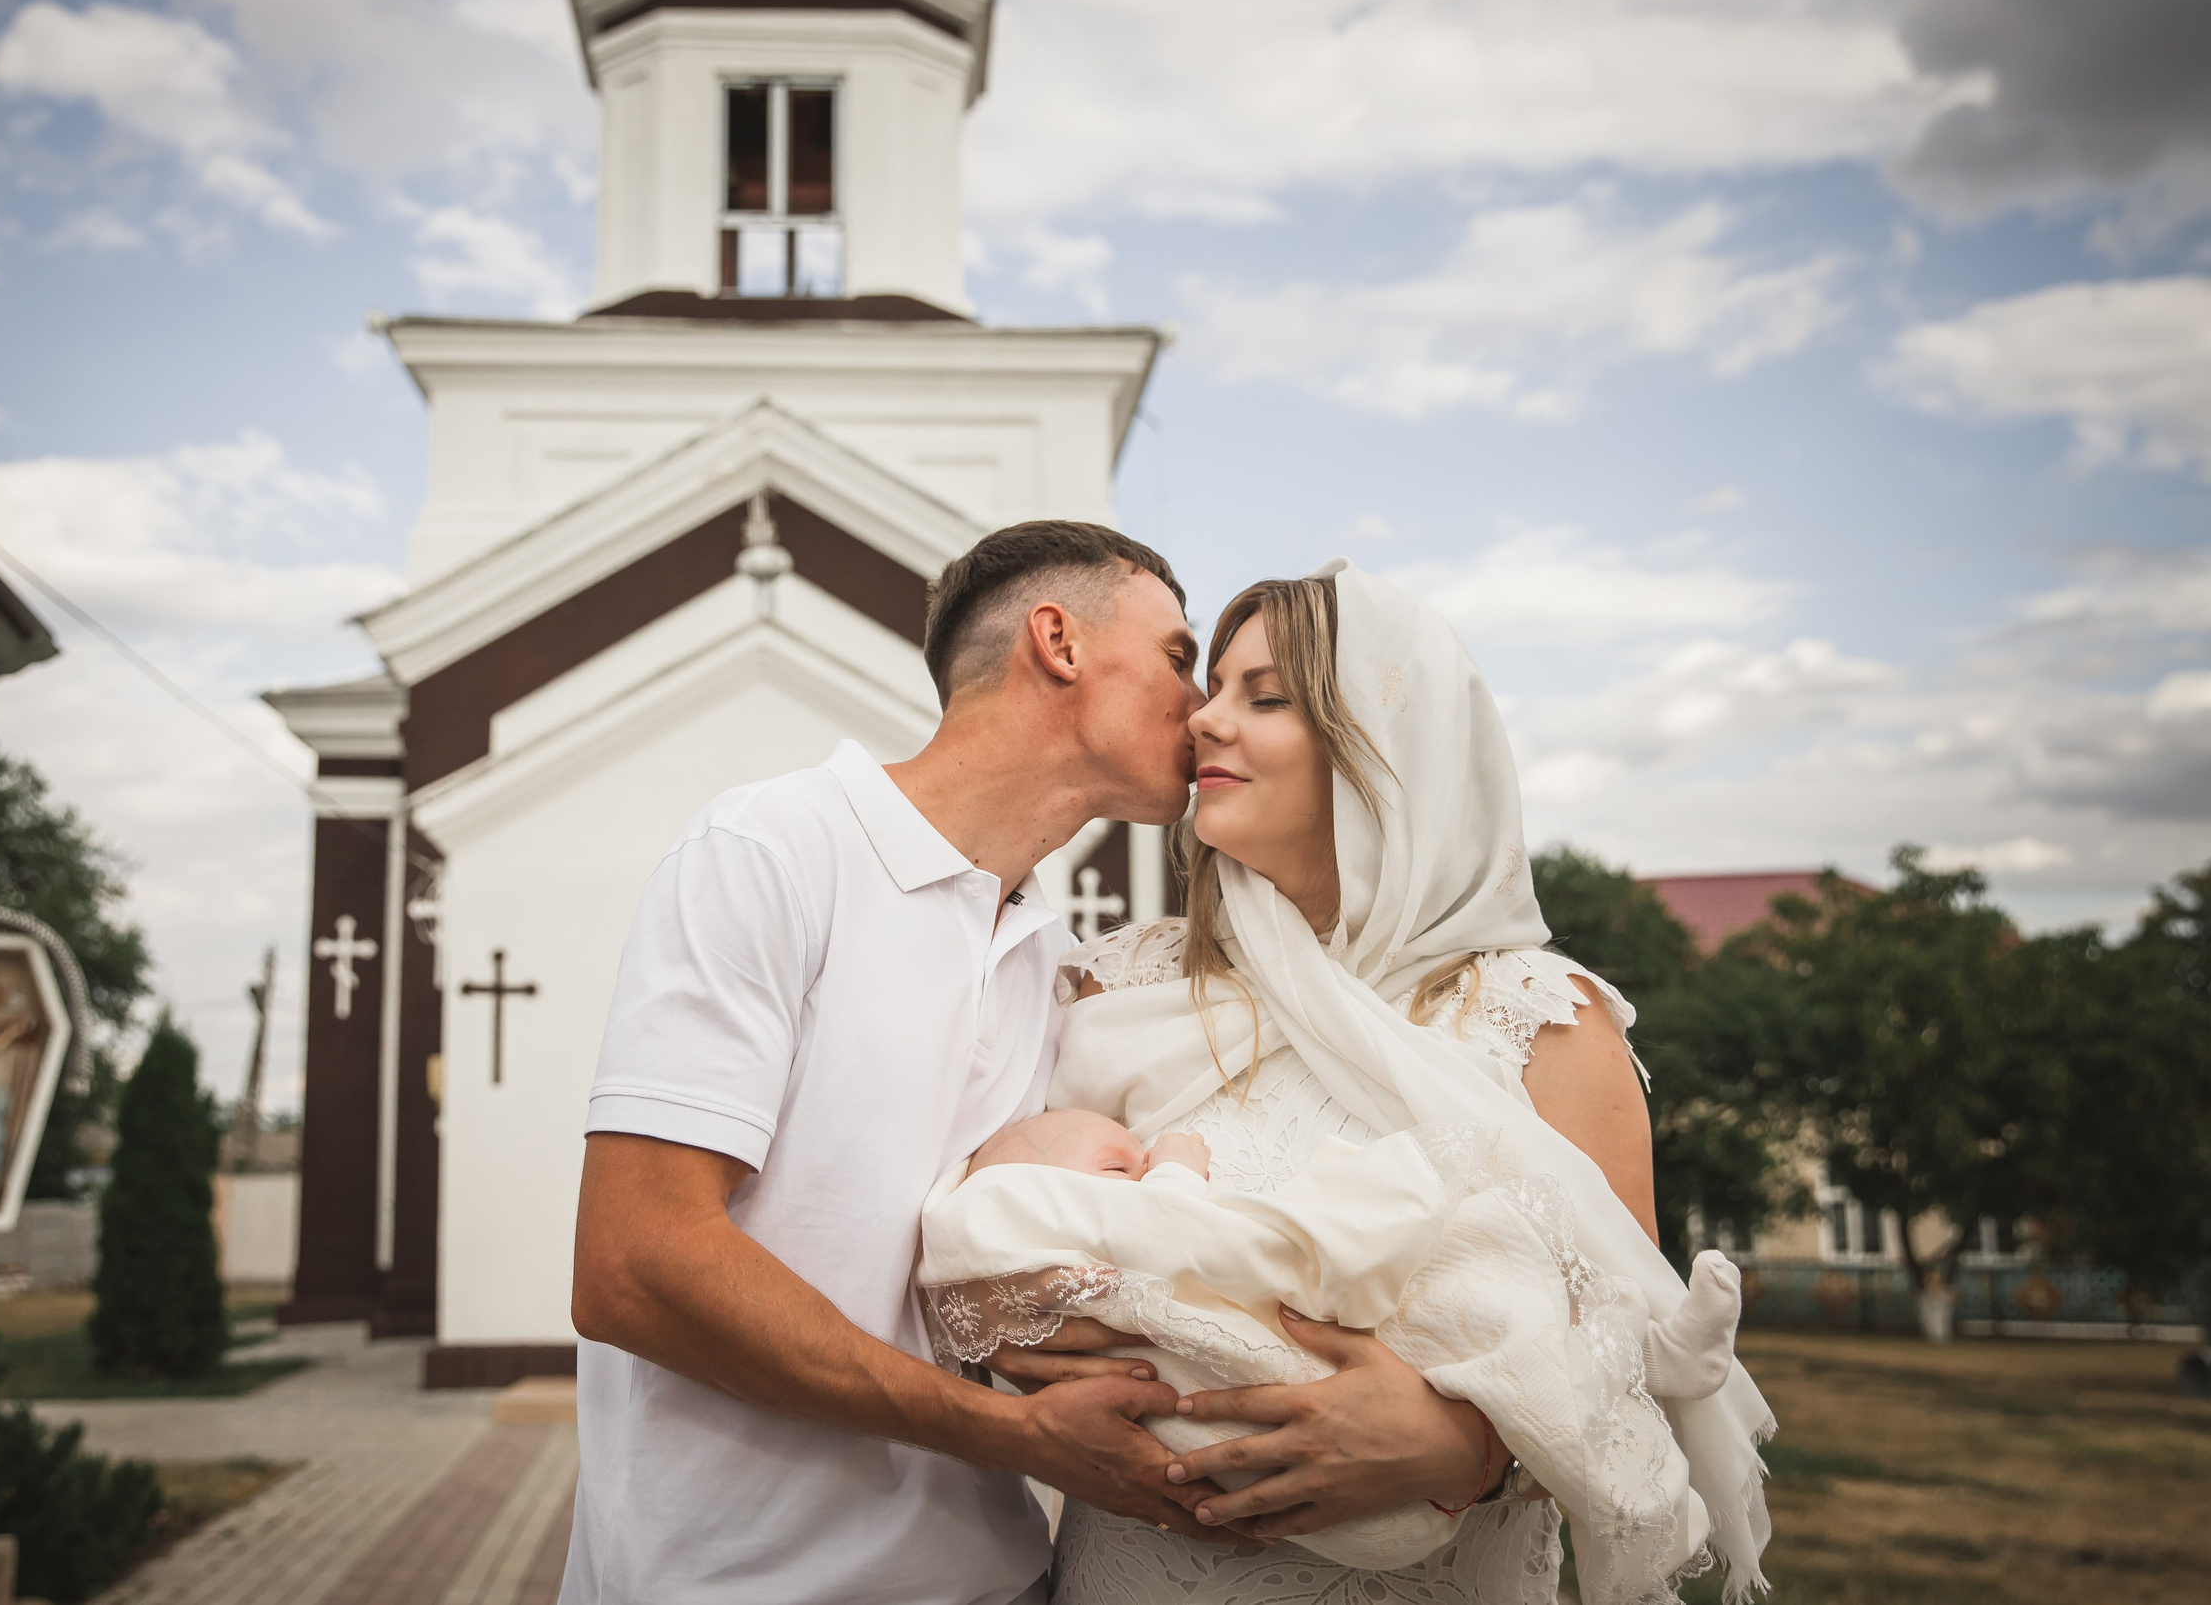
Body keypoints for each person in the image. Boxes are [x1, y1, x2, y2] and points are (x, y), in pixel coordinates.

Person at [563, 524, 1502, 1604]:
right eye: (1178, 657)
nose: (1201, 709)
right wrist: (1013, 1433)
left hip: (1002, 1578)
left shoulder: (1058, 969)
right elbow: (632, 1266)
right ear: (1058, 642)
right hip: (731, 1583)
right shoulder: (771, 851)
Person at [1025, 563, 1775, 1605]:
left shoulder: (1541, 1021)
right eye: (1214, 685)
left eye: (1266, 697)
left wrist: (1469, 1451)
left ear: (1387, 747)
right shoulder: (1119, 986)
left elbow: (1635, 1361)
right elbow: (1007, 1244)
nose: (1205, 718)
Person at [919, 1110, 1744, 1592]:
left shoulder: (1555, 1009)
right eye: (1115, 1162)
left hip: (1419, 1520)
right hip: (1186, 1522)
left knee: (1475, 1298)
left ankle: (1640, 1357)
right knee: (1456, 1278)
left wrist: (1472, 1450)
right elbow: (1169, 1232)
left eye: (1137, 1157)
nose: (1138, 1161)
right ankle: (1634, 1356)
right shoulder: (1091, 1016)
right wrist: (1173, 1172)